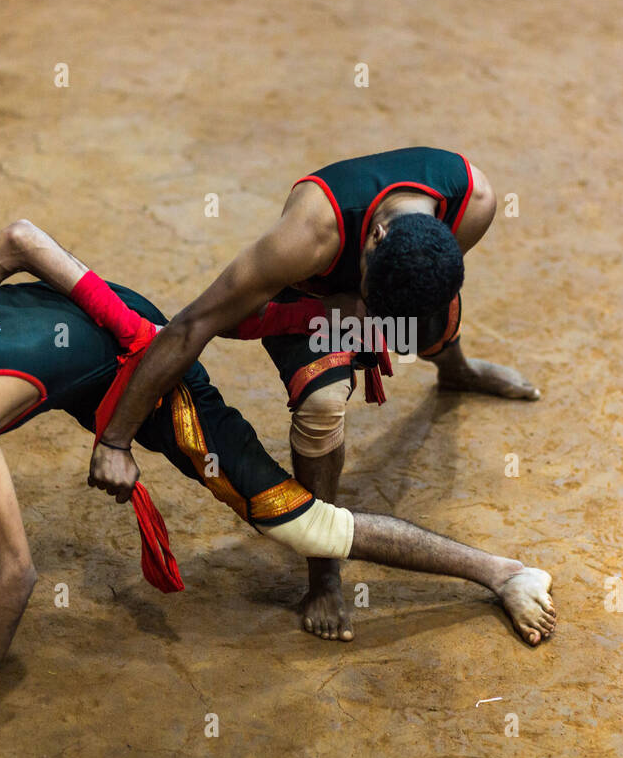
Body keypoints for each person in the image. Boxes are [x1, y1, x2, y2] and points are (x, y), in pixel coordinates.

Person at [0, 221, 556, 758]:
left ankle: (502, 572)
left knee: (297, 524)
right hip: (86, 316)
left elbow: (15, 574)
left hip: (147, 370)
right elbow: (19, 240)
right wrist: (92, 302)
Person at [89, 147, 541, 640]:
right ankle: (323, 571)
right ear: (375, 237)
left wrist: (384, 315)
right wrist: (115, 439)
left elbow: (422, 289)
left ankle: (455, 369)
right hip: (308, 297)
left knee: (429, 317)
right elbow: (191, 326)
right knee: (322, 406)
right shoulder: (305, 238)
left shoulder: (474, 204)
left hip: (397, 286)